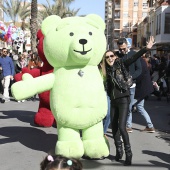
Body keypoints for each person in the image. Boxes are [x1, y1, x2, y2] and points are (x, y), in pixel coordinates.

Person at [103, 36, 154, 166]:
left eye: (111, 56)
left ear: (115, 57)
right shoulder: (106, 71)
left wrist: (145, 49)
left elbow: (133, 57)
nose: (110, 58)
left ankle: (128, 153)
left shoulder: (121, 63)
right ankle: (119, 151)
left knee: (121, 127)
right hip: (113, 101)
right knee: (114, 127)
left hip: (124, 99)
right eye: (107, 57)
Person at [115, 38, 142, 133]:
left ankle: (128, 125)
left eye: (123, 48)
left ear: (127, 45)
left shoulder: (133, 54)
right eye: (120, 49)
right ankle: (122, 124)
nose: (122, 51)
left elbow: (139, 69)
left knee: (129, 107)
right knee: (122, 106)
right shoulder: (117, 55)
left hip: (131, 86)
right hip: (120, 86)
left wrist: (131, 78)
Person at [132, 53, 155, 133]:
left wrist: (132, 79)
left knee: (128, 106)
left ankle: (127, 127)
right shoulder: (142, 61)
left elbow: (139, 75)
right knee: (140, 107)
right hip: (144, 89)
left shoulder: (140, 62)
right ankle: (150, 126)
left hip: (141, 89)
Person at [98, 60, 111, 136]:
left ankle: (103, 132)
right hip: (99, 94)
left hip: (108, 94)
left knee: (108, 114)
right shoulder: (97, 71)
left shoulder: (110, 70)